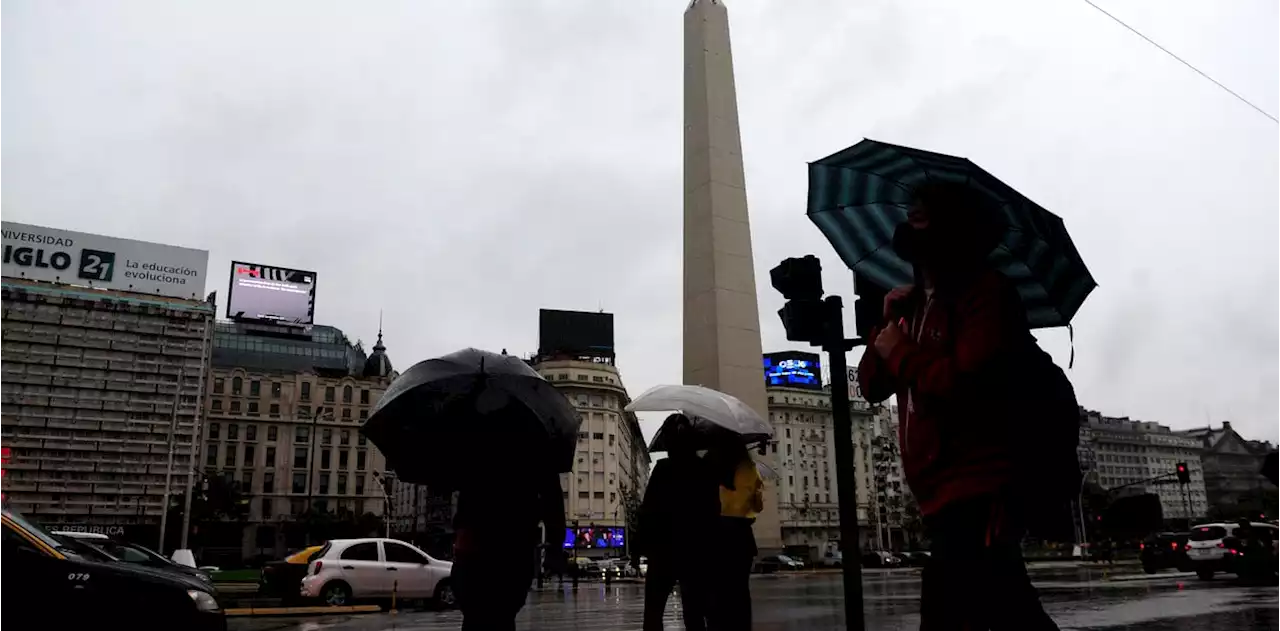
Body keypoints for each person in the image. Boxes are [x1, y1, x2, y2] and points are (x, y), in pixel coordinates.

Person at [858, 181, 1068, 630]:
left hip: (982, 482)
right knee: (1007, 606)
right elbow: (872, 387)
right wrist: (884, 324)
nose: (911, 228)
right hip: (938, 491)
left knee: (957, 609)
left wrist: (901, 352)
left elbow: (968, 384)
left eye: (921, 219)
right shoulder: (910, 306)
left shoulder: (986, 295)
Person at [452, 442, 567, 631]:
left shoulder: (472, 434)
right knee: (500, 615)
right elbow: (552, 496)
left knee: (476, 615)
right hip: (512, 546)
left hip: (478, 546)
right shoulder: (534, 439)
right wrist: (555, 546)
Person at [636, 414, 719, 631]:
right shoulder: (704, 469)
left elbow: (647, 511)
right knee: (694, 613)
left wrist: (638, 550)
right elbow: (714, 511)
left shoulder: (662, 469)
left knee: (653, 613)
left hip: (662, 551)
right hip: (695, 551)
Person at [706, 438, 764, 631]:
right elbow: (758, 506)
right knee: (740, 591)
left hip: (716, 535)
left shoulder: (710, 463)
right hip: (741, 536)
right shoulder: (750, 469)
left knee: (717, 590)